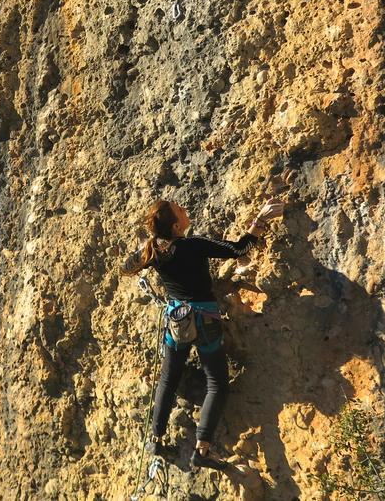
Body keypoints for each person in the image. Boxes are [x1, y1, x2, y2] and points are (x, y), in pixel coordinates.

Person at [120, 197, 285, 469]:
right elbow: (238, 248)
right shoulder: (192, 246)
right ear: (175, 226)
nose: (185, 210)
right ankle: (202, 451)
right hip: (205, 320)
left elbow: (126, 267)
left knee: (167, 380)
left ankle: (156, 439)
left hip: (177, 320)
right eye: (180, 211)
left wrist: (146, 247)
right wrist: (260, 219)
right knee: (217, 383)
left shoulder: (154, 251)